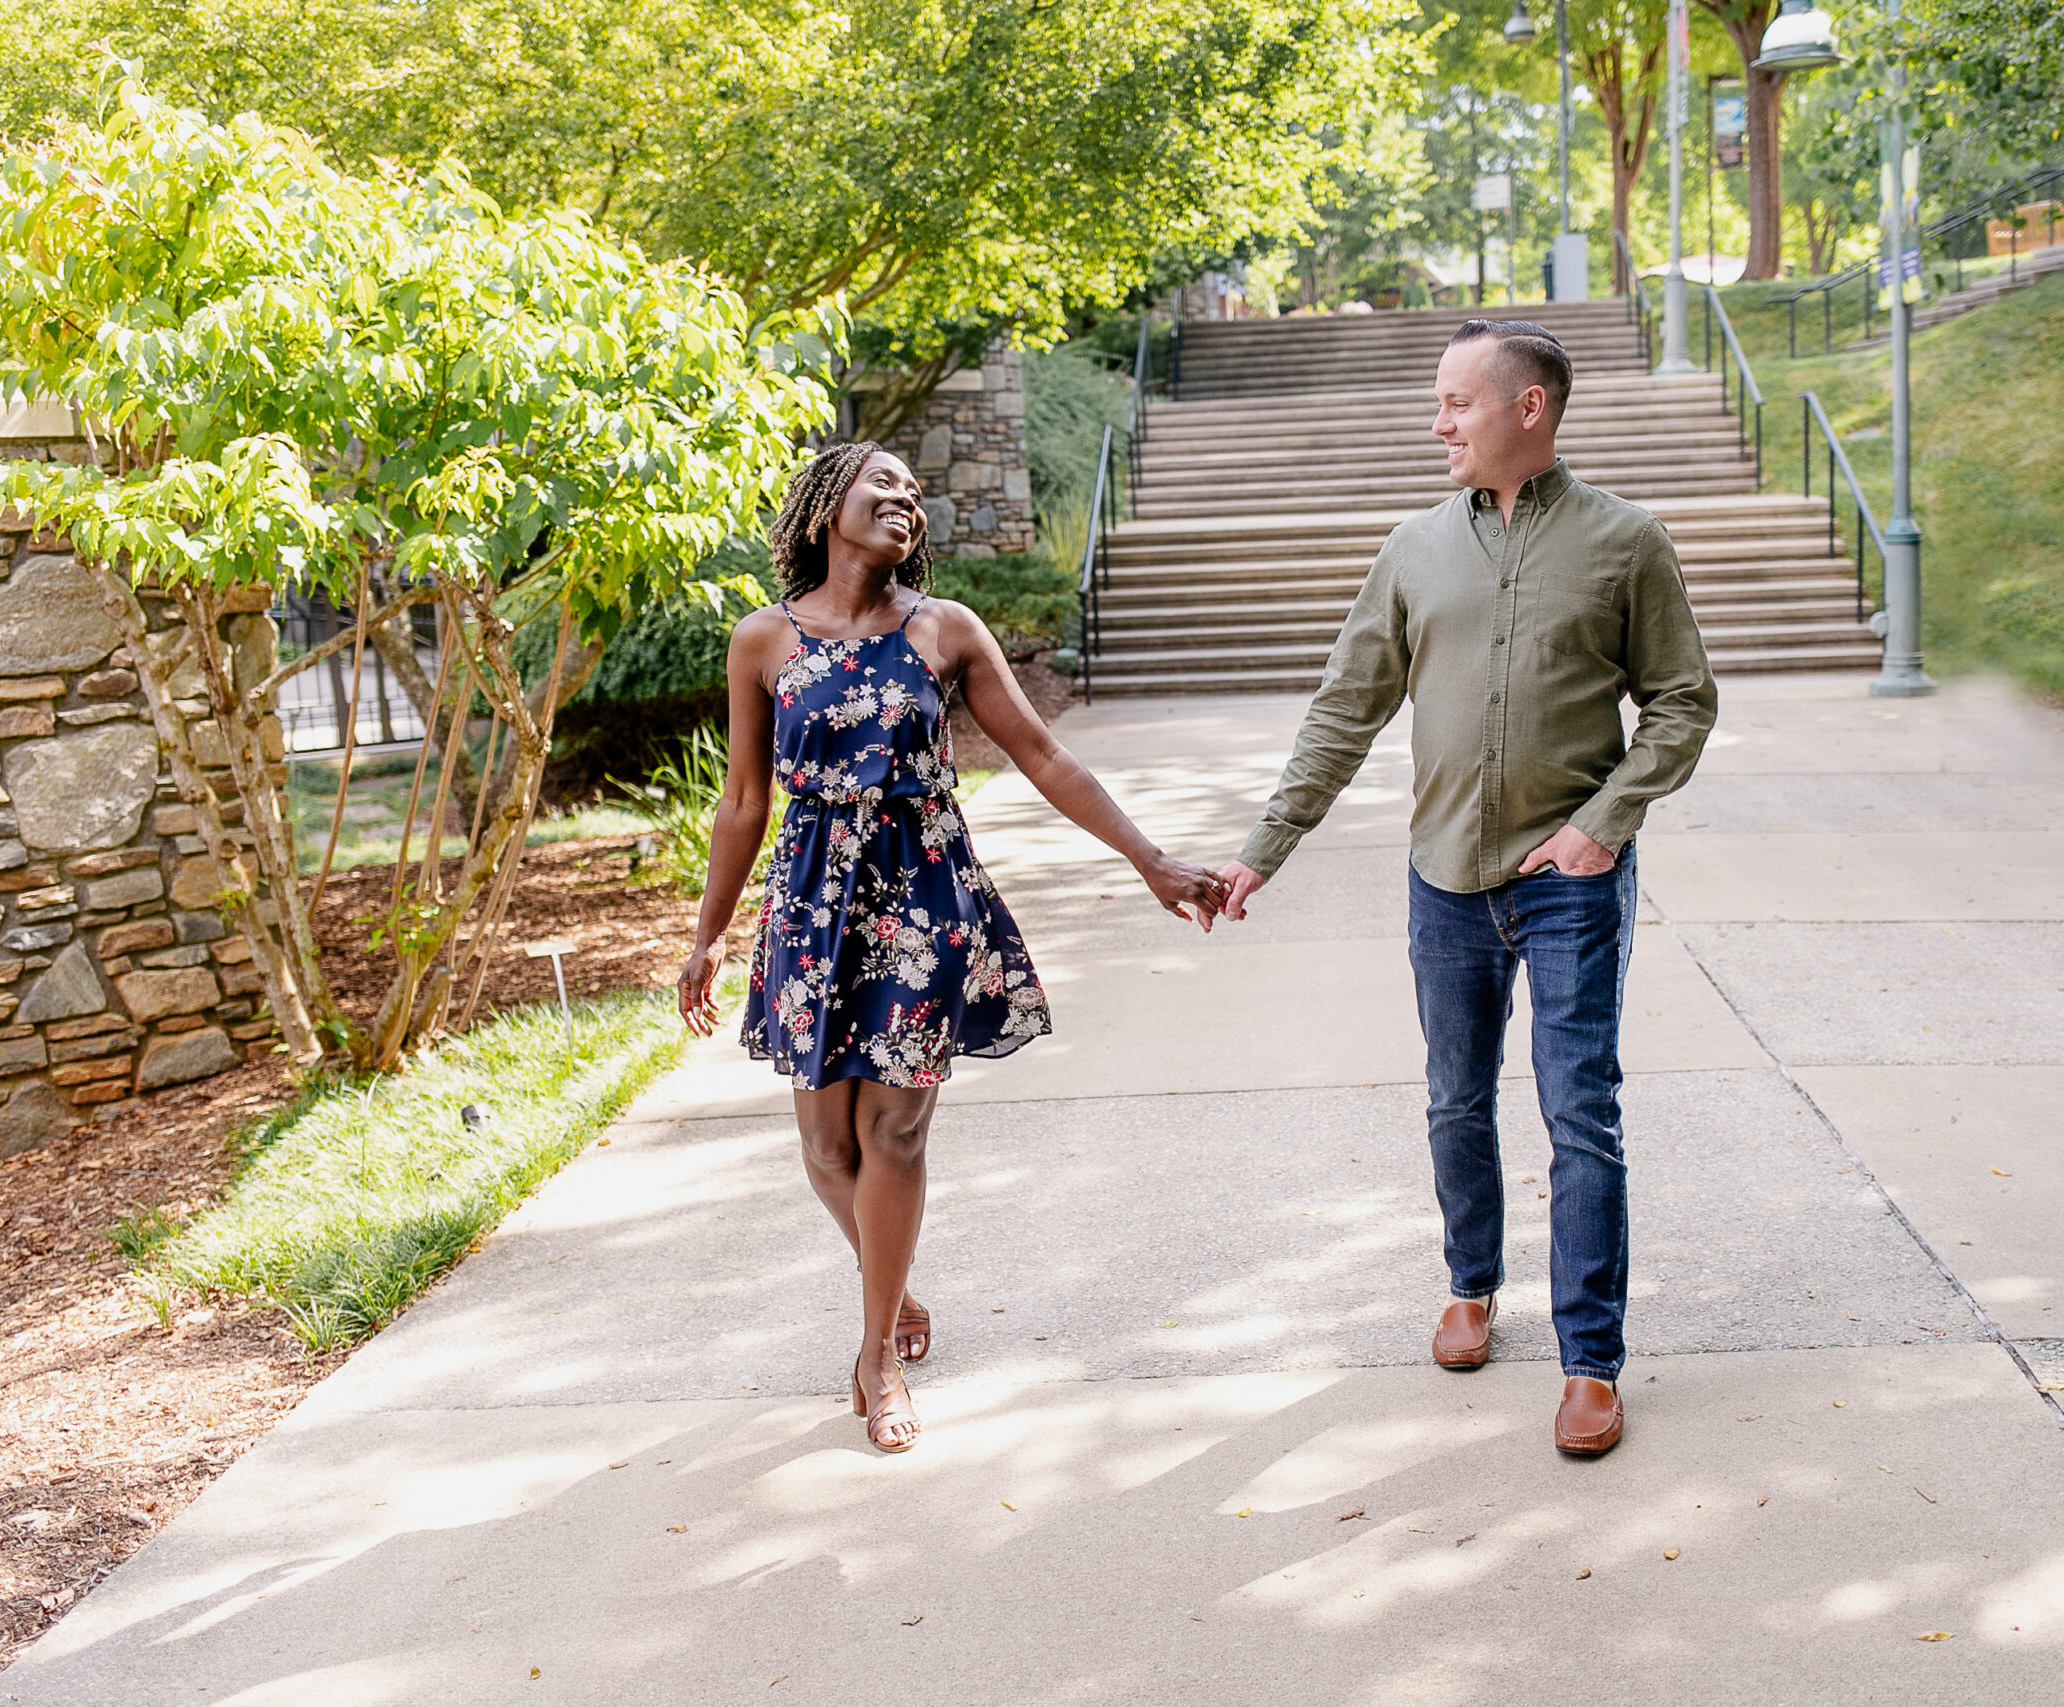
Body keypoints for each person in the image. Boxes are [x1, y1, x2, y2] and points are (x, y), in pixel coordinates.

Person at [1216, 319, 1716, 1456]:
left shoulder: (1627, 542)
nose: (1436, 421)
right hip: (1442, 877)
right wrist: (1263, 848)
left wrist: (1602, 825)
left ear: (1526, 409)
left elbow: (1682, 702)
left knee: (1579, 1111)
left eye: (1455, 402)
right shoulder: (1411, 549)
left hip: (1568, 881)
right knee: (1454, 1098)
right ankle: (1470, 1284)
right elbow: (1345, 709)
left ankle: (1590, 1361)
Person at [680, 441, 1227, 1454]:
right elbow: (745, 799)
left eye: (915, 493)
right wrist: (708, 935)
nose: (904, 500)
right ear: (821, 510)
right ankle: (892, 1284)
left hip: (923, 895)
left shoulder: (944, 631)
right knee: (826, 1148)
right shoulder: (762, 640)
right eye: (882, 485)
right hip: (809, 903)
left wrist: (1150, 859)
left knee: (892, 1136)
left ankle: (876, 1348)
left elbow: (1045, 754)